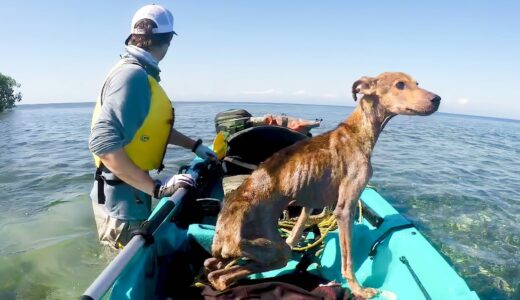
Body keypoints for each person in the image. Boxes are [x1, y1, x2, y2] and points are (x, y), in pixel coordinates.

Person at [88, 4, 216, 249]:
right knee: (121, 264)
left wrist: (194, 146)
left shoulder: (138, 72)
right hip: (120, 200)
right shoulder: (133, 76)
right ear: (168, 42)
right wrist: (157, 188)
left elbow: (152, 130)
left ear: (134, 37)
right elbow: (103, 143)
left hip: (131, 190)